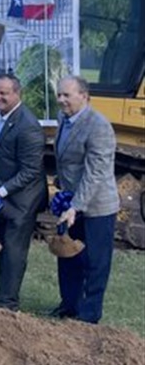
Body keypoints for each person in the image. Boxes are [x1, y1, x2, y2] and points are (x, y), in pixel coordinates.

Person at [50, 75, 119, 324]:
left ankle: (89, 316)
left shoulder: (98, 126)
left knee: (95, 262)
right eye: (59, 94)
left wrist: (76, 207)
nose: (61, 100)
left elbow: (95, 173)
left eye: (66, 95)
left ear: (84, 96)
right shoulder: (63, 119)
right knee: (68, 255)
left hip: (96, 206)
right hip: (70, 203)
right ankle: (69, 306)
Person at [0, 73, 47, 311]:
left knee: (14, 249)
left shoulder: (28, 126)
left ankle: (9, 302)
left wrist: (1, 191)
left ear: (17, 94)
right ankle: (2, 296)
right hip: (0, 195)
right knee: (2, 246)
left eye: (4, 93)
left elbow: (30, 171)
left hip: (22, 200)